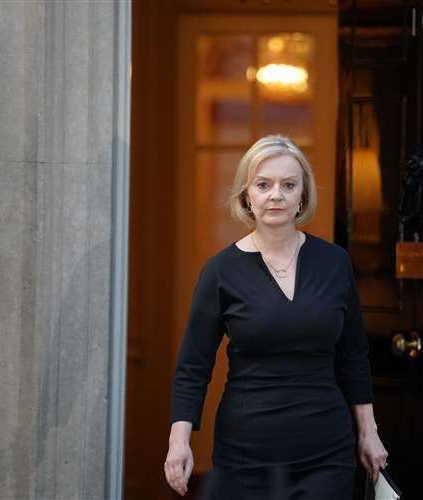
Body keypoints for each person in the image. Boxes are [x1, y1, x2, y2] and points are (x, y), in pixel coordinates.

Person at [163, 135, 388, 498]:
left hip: (325, 452)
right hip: (245, 454)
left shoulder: (334, 263)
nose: (276, 195)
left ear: (303, 195)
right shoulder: (220, 272)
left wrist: (368, 432)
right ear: (246, 195)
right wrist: (179, 442)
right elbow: (193, 365)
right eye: (263, 185)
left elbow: (354, 355)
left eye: (288, 185)